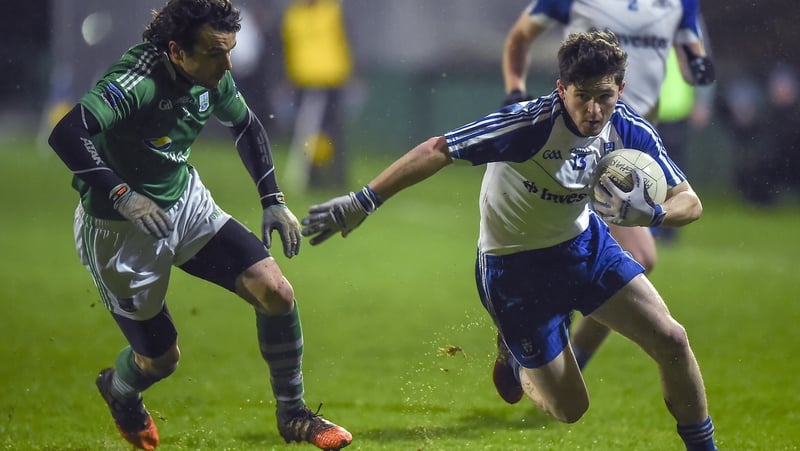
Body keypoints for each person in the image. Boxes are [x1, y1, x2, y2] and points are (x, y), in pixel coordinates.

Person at [301, 31, 717, 451]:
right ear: (561, 88)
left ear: (620, 90)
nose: (594, 110)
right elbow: (437, 149)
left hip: (584, 246)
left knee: (672, 339)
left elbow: (690, 201)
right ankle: (518, 362)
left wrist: (656, 213)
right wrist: (364, 200)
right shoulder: (529, 124)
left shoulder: (626, 126)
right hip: (515, 270)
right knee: (571, 409)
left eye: (605, 96)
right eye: (582, 96)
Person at [47, 1, 352, 450]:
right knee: (160, 360)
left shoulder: (213, 75)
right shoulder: (138, 79)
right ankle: (120, 390)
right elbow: (68, 132)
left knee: (276, 292)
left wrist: (272, 199)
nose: (227, 64)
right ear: (176, 51)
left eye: (229, 51)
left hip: (185, 203)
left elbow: (247, 126)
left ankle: (293, 415)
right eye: (214, 53)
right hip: (118, 230)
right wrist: (122, 194)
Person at [501, 0, 715, 372]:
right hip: (572, 141)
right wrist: (515, 92)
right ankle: (542, 339)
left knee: (637, 259)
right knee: (610, 256)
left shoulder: (681, 3)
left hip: (631, 147)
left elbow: (691, 58)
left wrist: (699, 65)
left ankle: (558, 350)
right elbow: (520, 37)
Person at [281, 0, 354, 193]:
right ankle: (314, 177)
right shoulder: (293, 15)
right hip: (303, 82)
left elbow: (347, 41)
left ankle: (337, 177)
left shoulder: (333, 10)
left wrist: (351, 73)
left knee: (331, 132)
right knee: (308, 133)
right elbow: (287, 48)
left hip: (330, 81)